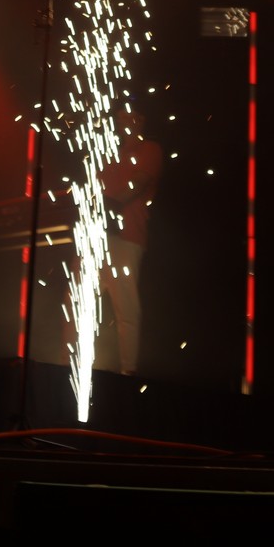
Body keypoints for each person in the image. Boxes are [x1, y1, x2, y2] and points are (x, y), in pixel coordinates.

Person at [96, 108, 163, 375]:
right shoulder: (110, 154)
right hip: (97, 237)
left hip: (127, 236)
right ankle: (71, 365)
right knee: (77, 301)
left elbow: (139, 182)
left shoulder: (149, 149)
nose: (121, 120)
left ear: (141, 119)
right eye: (119, 116)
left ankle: (127, 372)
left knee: (125, 308)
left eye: (128, 115)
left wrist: (111, 205)